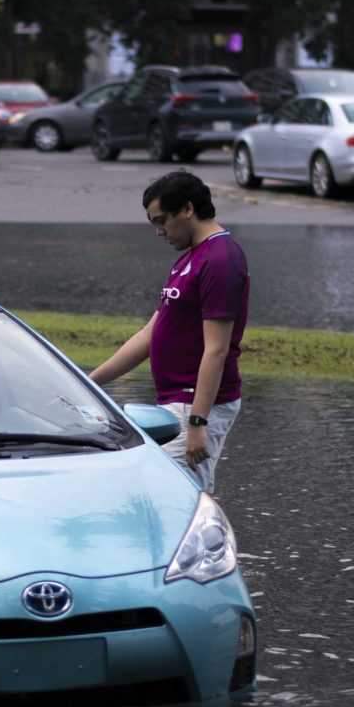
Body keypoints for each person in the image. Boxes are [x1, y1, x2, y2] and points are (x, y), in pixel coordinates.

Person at [87, 170, 250, 492]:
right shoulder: (190, 259)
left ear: (187, 209)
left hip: (197, 404)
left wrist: (198, 423)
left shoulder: (220, 260)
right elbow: (151, 334)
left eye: (162, 221)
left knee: (173, 494)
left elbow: (216, 349)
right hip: (176, 402)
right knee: (173, 492)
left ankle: (211, 543)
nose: (159, 231)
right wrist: (88, 383)